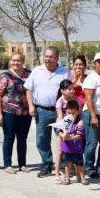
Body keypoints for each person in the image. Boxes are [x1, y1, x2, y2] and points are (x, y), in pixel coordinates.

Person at [25, 46, 70, 177]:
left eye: (50, 57)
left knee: (63, 138)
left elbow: (69, 91)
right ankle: (46, 165)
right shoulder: (37, 71)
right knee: (41, 139)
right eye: (46, 56)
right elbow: (28, 89)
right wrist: (31, 106)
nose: (47, 59)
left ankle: (62, 165)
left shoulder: (64, 73)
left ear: (57, 58)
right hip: (41, 111)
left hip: (59, 112)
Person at [0, 53, 32, 174]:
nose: (16, 63)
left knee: (22, 139)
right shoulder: (5, 76)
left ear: (23, 61)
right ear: (10, 61)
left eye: (18, 60)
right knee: (9, 138)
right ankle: (8, 165)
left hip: (25, 112)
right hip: (9, 111)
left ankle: (22, 164)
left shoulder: (29, 74)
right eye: (14, 60)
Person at [82, 52, 100, 178]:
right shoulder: (91, 78)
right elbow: (89, 99)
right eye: (99, 62)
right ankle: (89, 167)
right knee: (92, 143)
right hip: (92, 113)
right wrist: (93, 116)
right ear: (94, 64)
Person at [54, 79, 84, 183]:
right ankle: (57, 174)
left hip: (75, 127)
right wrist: (64, 132)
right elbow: (61, 118)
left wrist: (82, 122)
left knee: (76, 149)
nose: (72, 91)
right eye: (69, 89)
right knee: (61, 151)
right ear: (62, 90)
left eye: (73, 89)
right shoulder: (60, 102)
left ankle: (79, 174)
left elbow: (81, 114)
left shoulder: (77, 100)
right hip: (62, 127)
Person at [58, 100, 88, 185]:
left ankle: (82, 178)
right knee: (67, 164)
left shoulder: (79, 124)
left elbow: (79, 136)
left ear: (78, 112)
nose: (71, 115)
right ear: (65, 112)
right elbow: (59, 131)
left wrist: (69, 138)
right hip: (67, 149)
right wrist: (62, 135)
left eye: (73, 113)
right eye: (68, 113)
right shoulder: (64, 123)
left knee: (80, 164)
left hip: (77, 149)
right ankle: (67, 178)